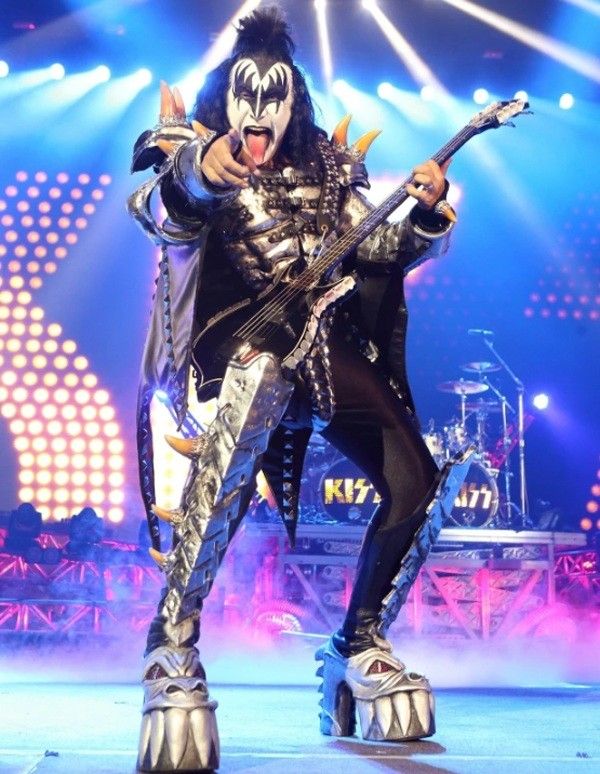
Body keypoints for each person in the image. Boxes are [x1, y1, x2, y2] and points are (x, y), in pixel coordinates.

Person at [128, 8, 472, 772]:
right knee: (257, 380)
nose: (259, 110)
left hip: (316, 346)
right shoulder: (196, 147)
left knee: (417, 475)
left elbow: (377, 244)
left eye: (274, 94)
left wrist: (424, 212)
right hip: (234, 342)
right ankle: (172, 642)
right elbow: (158, 211)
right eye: (246, 93)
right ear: (229, 96)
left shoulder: (328, 167)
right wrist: (196, 171)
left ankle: (358, 641)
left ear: (292, 99)